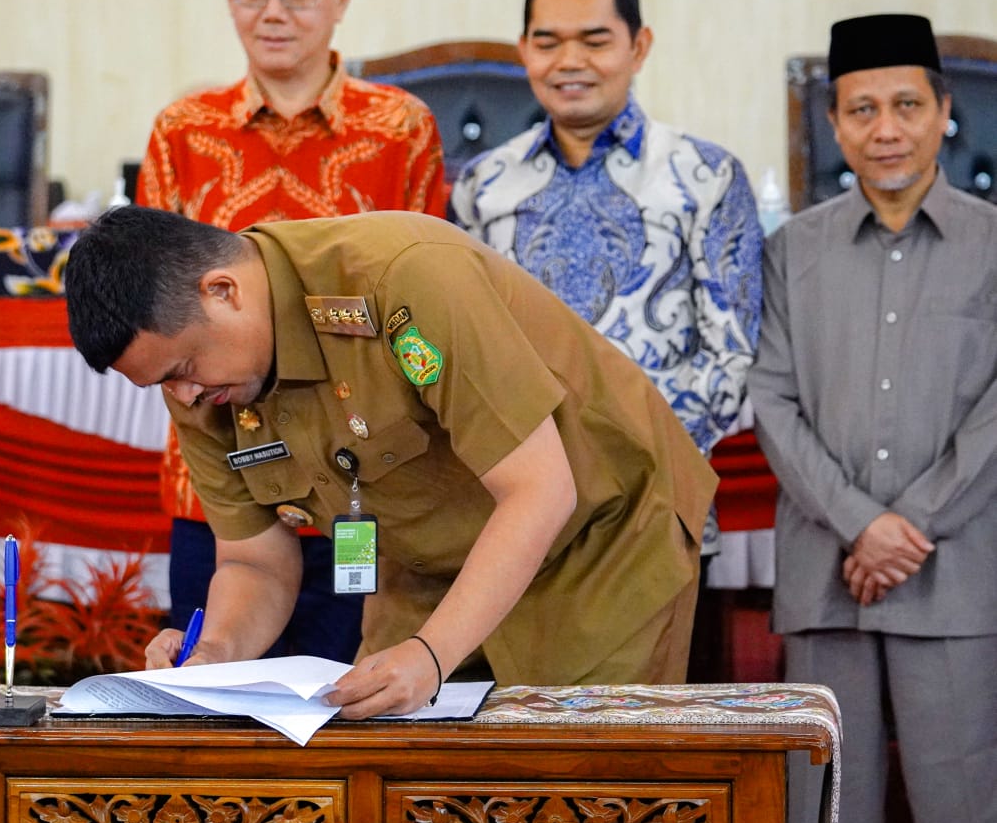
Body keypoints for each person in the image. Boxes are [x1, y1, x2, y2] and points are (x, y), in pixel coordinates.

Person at [65, 205, 716, 718]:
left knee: (574, 794)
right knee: (395, 781)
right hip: (425, 563)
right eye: (161, 386)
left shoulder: (405, 277)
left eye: (182, 370)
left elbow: (540, 490)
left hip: (596, 542)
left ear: (223, 290)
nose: (183, 397)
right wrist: (214, 653)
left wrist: (430, 656)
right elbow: (254, 559)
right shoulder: (205, 386)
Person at [136, 0, 448, 664]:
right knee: (216, 709)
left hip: (369, 486)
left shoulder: (401, 130)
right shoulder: (183, 133)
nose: (273, 12)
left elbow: (429, 313)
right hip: (217, 491)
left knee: (358, 718)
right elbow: (152, 318)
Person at [749, 13, 997, 823]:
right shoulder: (791, 252)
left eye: (905, 105)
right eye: (861, 110)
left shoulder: (994, 245)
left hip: (958, 576)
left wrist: (907, 525)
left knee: (965, 813)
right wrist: (863, 524)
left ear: (943, 109)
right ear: (833, 124)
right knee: (827, 816)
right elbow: (771, 398)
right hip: (831, 575)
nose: (885, 130)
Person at [449, 0, 763, 592]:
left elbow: (731, 355)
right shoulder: (483, 185)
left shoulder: (705, 175)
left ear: (638, 46)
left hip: (654, 507)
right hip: (515, 518)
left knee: (656, 696)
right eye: (548, 41)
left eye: (595, 41)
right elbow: (466, 347)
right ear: (524, 51)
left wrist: (639, 471)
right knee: (518, 695)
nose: (570, 61)